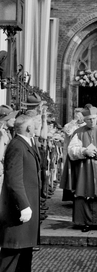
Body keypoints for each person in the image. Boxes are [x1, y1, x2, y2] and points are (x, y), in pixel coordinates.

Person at [0, 114, 40, 272]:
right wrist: (23, 206)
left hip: (27, 206)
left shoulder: (26, 143)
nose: (37, 126)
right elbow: (13, 180)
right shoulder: (17, 145)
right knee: (12, 255)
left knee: (24, 253)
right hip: (19, 210)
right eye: (35, 124)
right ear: (29, 128)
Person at [67, 106, 97, 232]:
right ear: (85, 119)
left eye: (93, 119)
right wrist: (84, 151)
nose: (91, 122)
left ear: (96, 118)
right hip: (84, 168)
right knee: (83, 192)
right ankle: (82, 221)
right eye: (88, 119)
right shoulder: (78, 132)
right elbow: (71, 150)